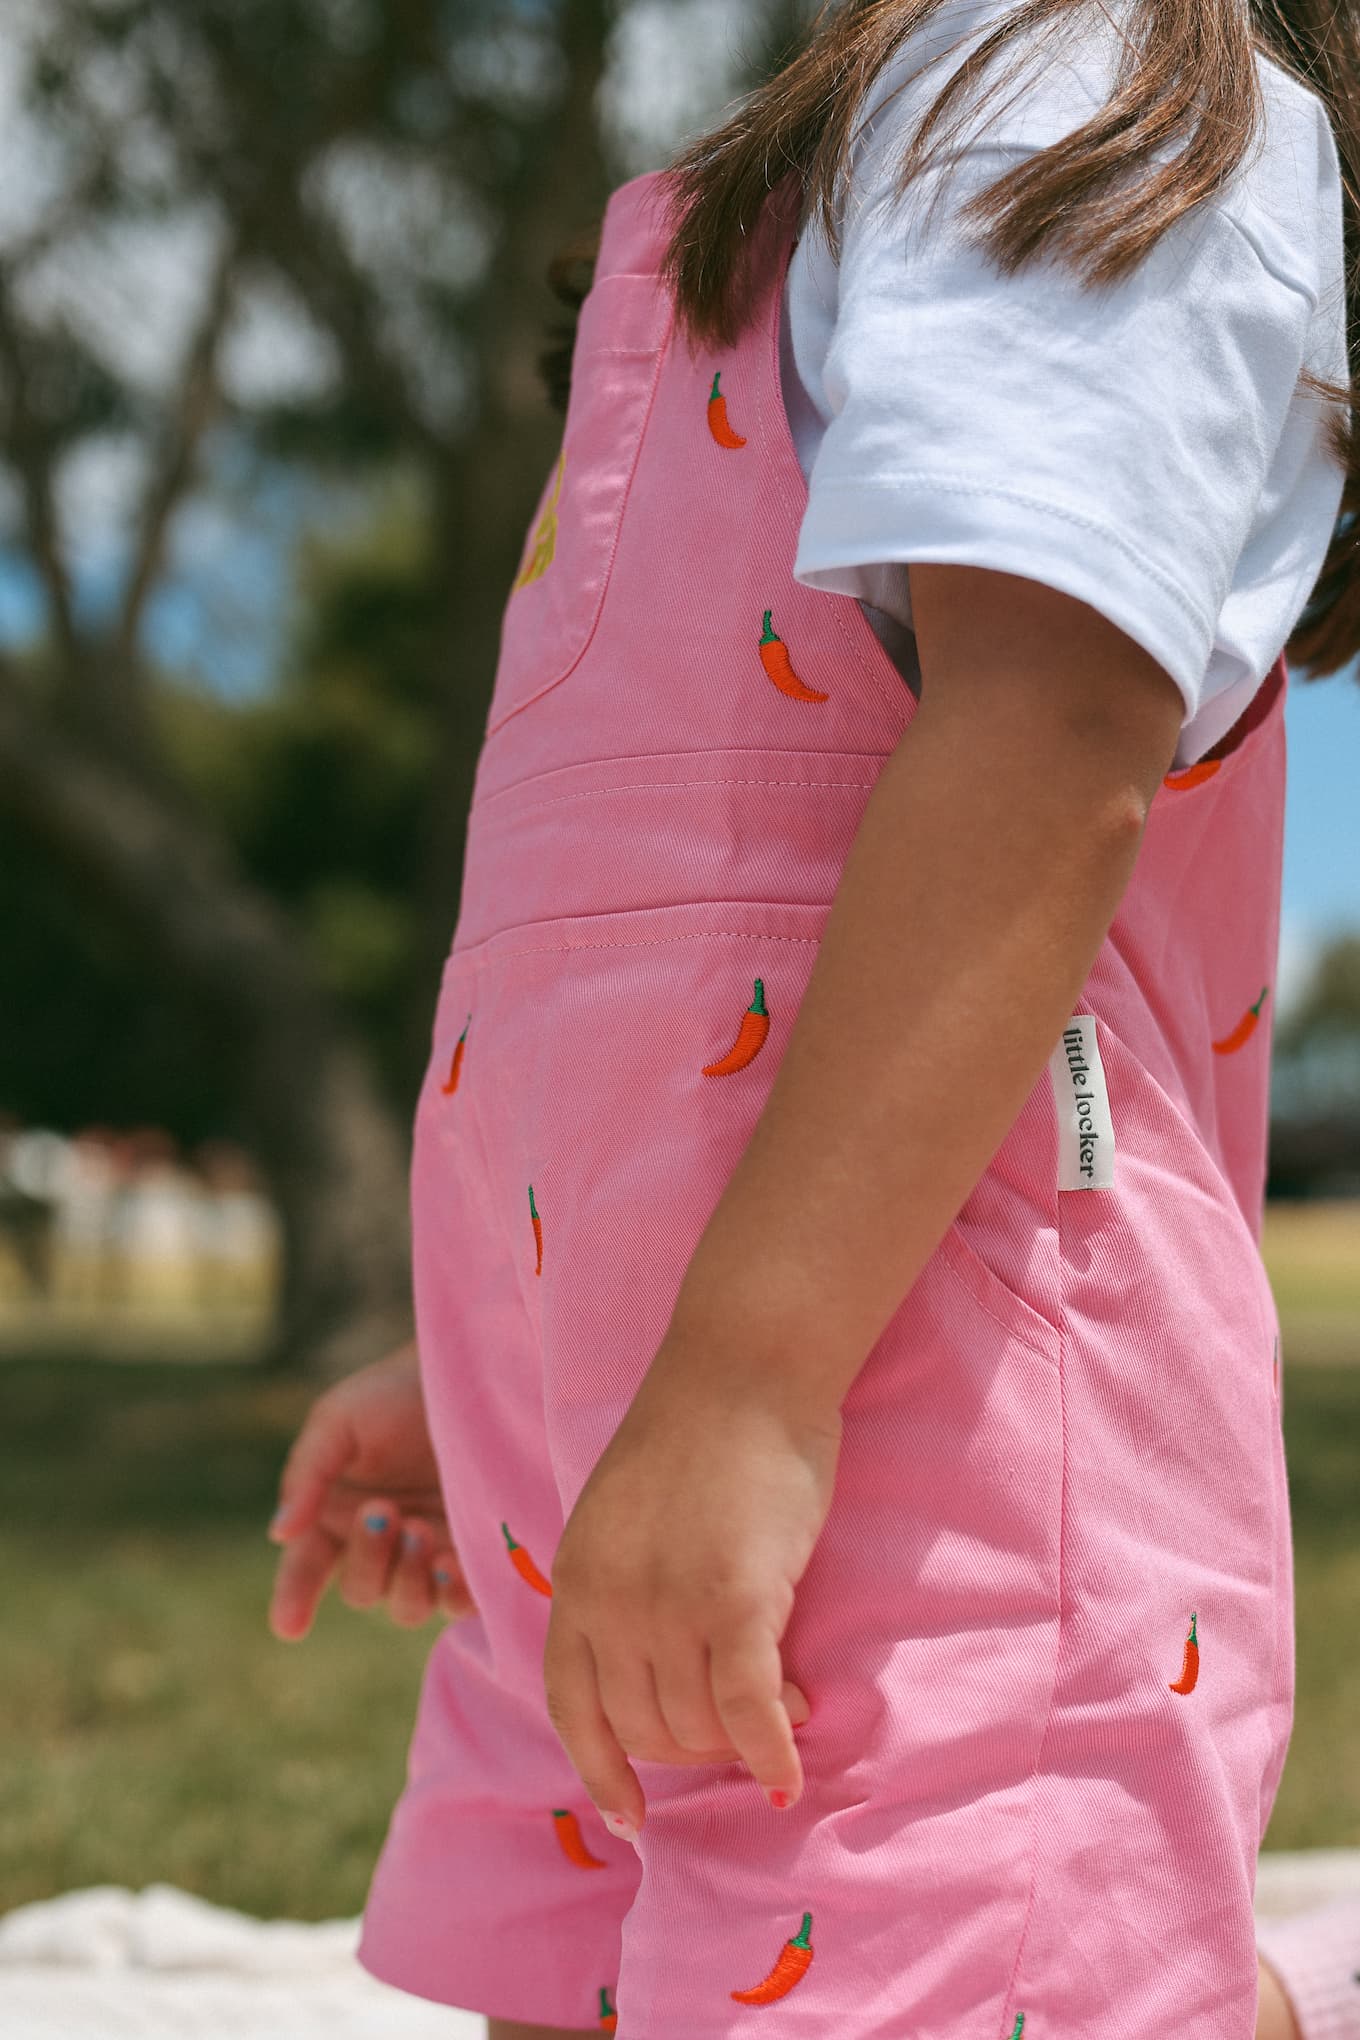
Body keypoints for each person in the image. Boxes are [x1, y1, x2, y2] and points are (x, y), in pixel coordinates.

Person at [269, 0, 1360, 2031]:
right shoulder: (740, 212)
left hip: (893, 1369)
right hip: (636, 1401)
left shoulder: (1079, 81)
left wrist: (748, 1367)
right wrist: (514, 1334)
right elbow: (625, 911)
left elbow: (1041, 748)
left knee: (949, 1946)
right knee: (575, 1973)